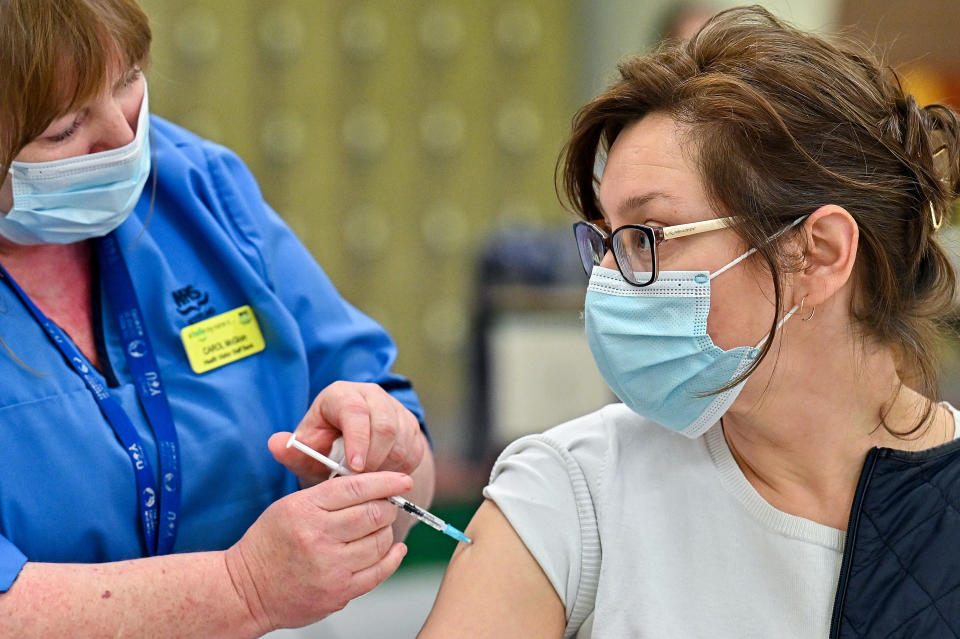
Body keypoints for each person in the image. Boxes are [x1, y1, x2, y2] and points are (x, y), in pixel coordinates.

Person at [420, 6, 960, 639]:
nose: (611, 281)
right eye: (609, 242)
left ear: (819, 253)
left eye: (649, 236)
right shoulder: (570, 493)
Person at [0, 0, 434, 636]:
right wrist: (243, 589)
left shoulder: (193, 184)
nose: (124, 139)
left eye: (125, 83)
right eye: (63, 129)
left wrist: (380, 456)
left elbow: (398, 443)